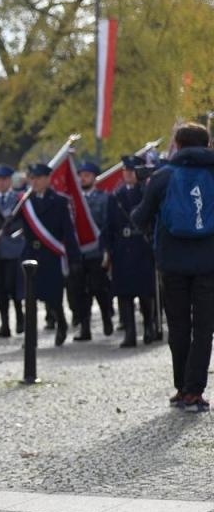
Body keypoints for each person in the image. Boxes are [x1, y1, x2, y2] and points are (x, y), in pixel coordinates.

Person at [132, 122, 214, 412]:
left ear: (177, 146)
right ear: (207, 145)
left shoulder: (163, 176)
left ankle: (181, 387)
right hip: (209, 264)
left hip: (172, 263)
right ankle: (195, 391)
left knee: (178, 326)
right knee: (205, 328)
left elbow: (140, 218)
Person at [19, 163, 82, 346]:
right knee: (30, 299)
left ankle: (61, 323)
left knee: (53, 297)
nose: (35, 182)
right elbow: (15, 224)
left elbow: (68, 232)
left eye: (38, 178)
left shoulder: (60, 201)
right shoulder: (25, 202)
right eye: (32, 178)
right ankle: (30, 337)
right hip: (31, 253)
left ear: (47, 179)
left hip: (51, 255)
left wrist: (74, 257)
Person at [105, 155, 159, 348]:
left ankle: (149, 326)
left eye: (132, 170)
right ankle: (130, 332)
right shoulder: (116, 196)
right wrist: (108, 249)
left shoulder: (147, 192)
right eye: (125, 171)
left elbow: (154, 220)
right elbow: (109, 225)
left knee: (145, 293)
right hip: (122, 248)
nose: (128, 174)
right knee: (124, 294)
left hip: (142, 247)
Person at [68, 160, 113, 339]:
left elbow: (106, 225)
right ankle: (85, 328)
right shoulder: (73, 201)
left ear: (94, 177)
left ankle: (106, 317)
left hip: (96, 252)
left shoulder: (103, 198)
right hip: (78, 252)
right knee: (80, 291)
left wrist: (106, 250)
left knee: (99, 288)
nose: (82, 179)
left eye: (86, 175)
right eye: (80, 175)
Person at [0, 165, 27, 336]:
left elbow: (24, 222)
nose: (1, 183)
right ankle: (5, 325)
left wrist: (14, 229)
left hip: (13, 249)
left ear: (9, 180)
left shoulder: (18, 199)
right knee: (0, 289)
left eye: (4, 180)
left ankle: (20, 318)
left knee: (13, 287)